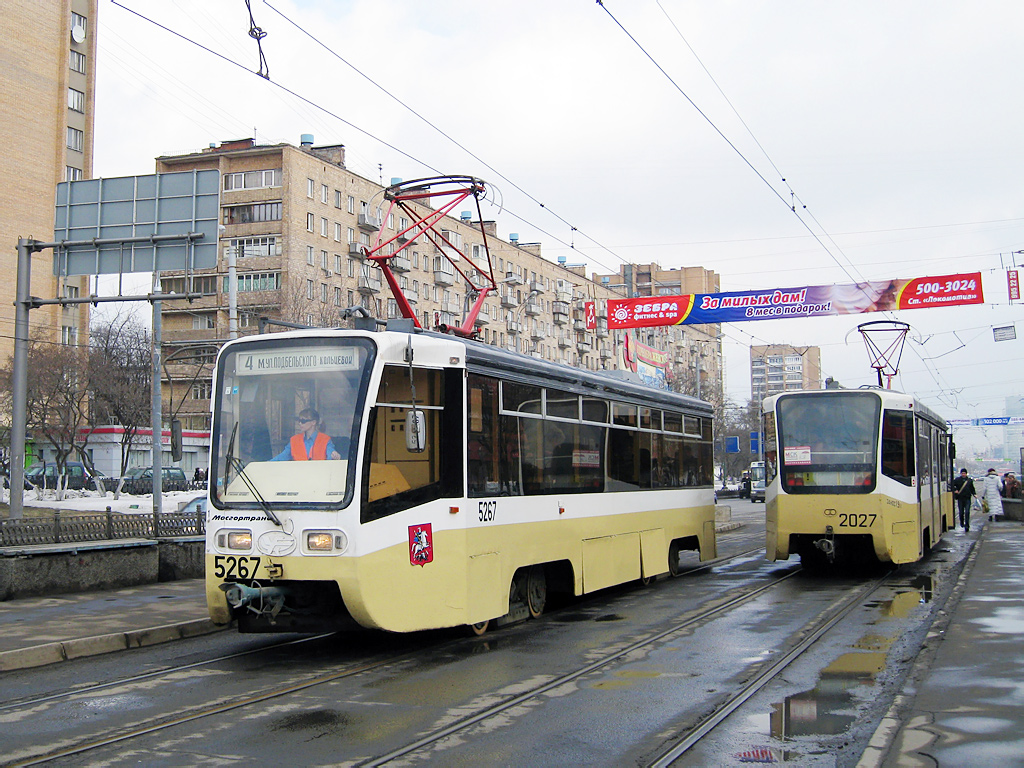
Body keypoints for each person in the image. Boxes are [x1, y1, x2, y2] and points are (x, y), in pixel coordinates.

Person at [271, 408, 341, 461]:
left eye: (303, 421)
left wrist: (334, 455)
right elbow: (282, 457)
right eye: (299, 421)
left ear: (313, 422)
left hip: (319, 476)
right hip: (299, 477)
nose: (300, 423)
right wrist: (265, 464)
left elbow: (330, 451)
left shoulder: (325, 439)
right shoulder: (294, 440)